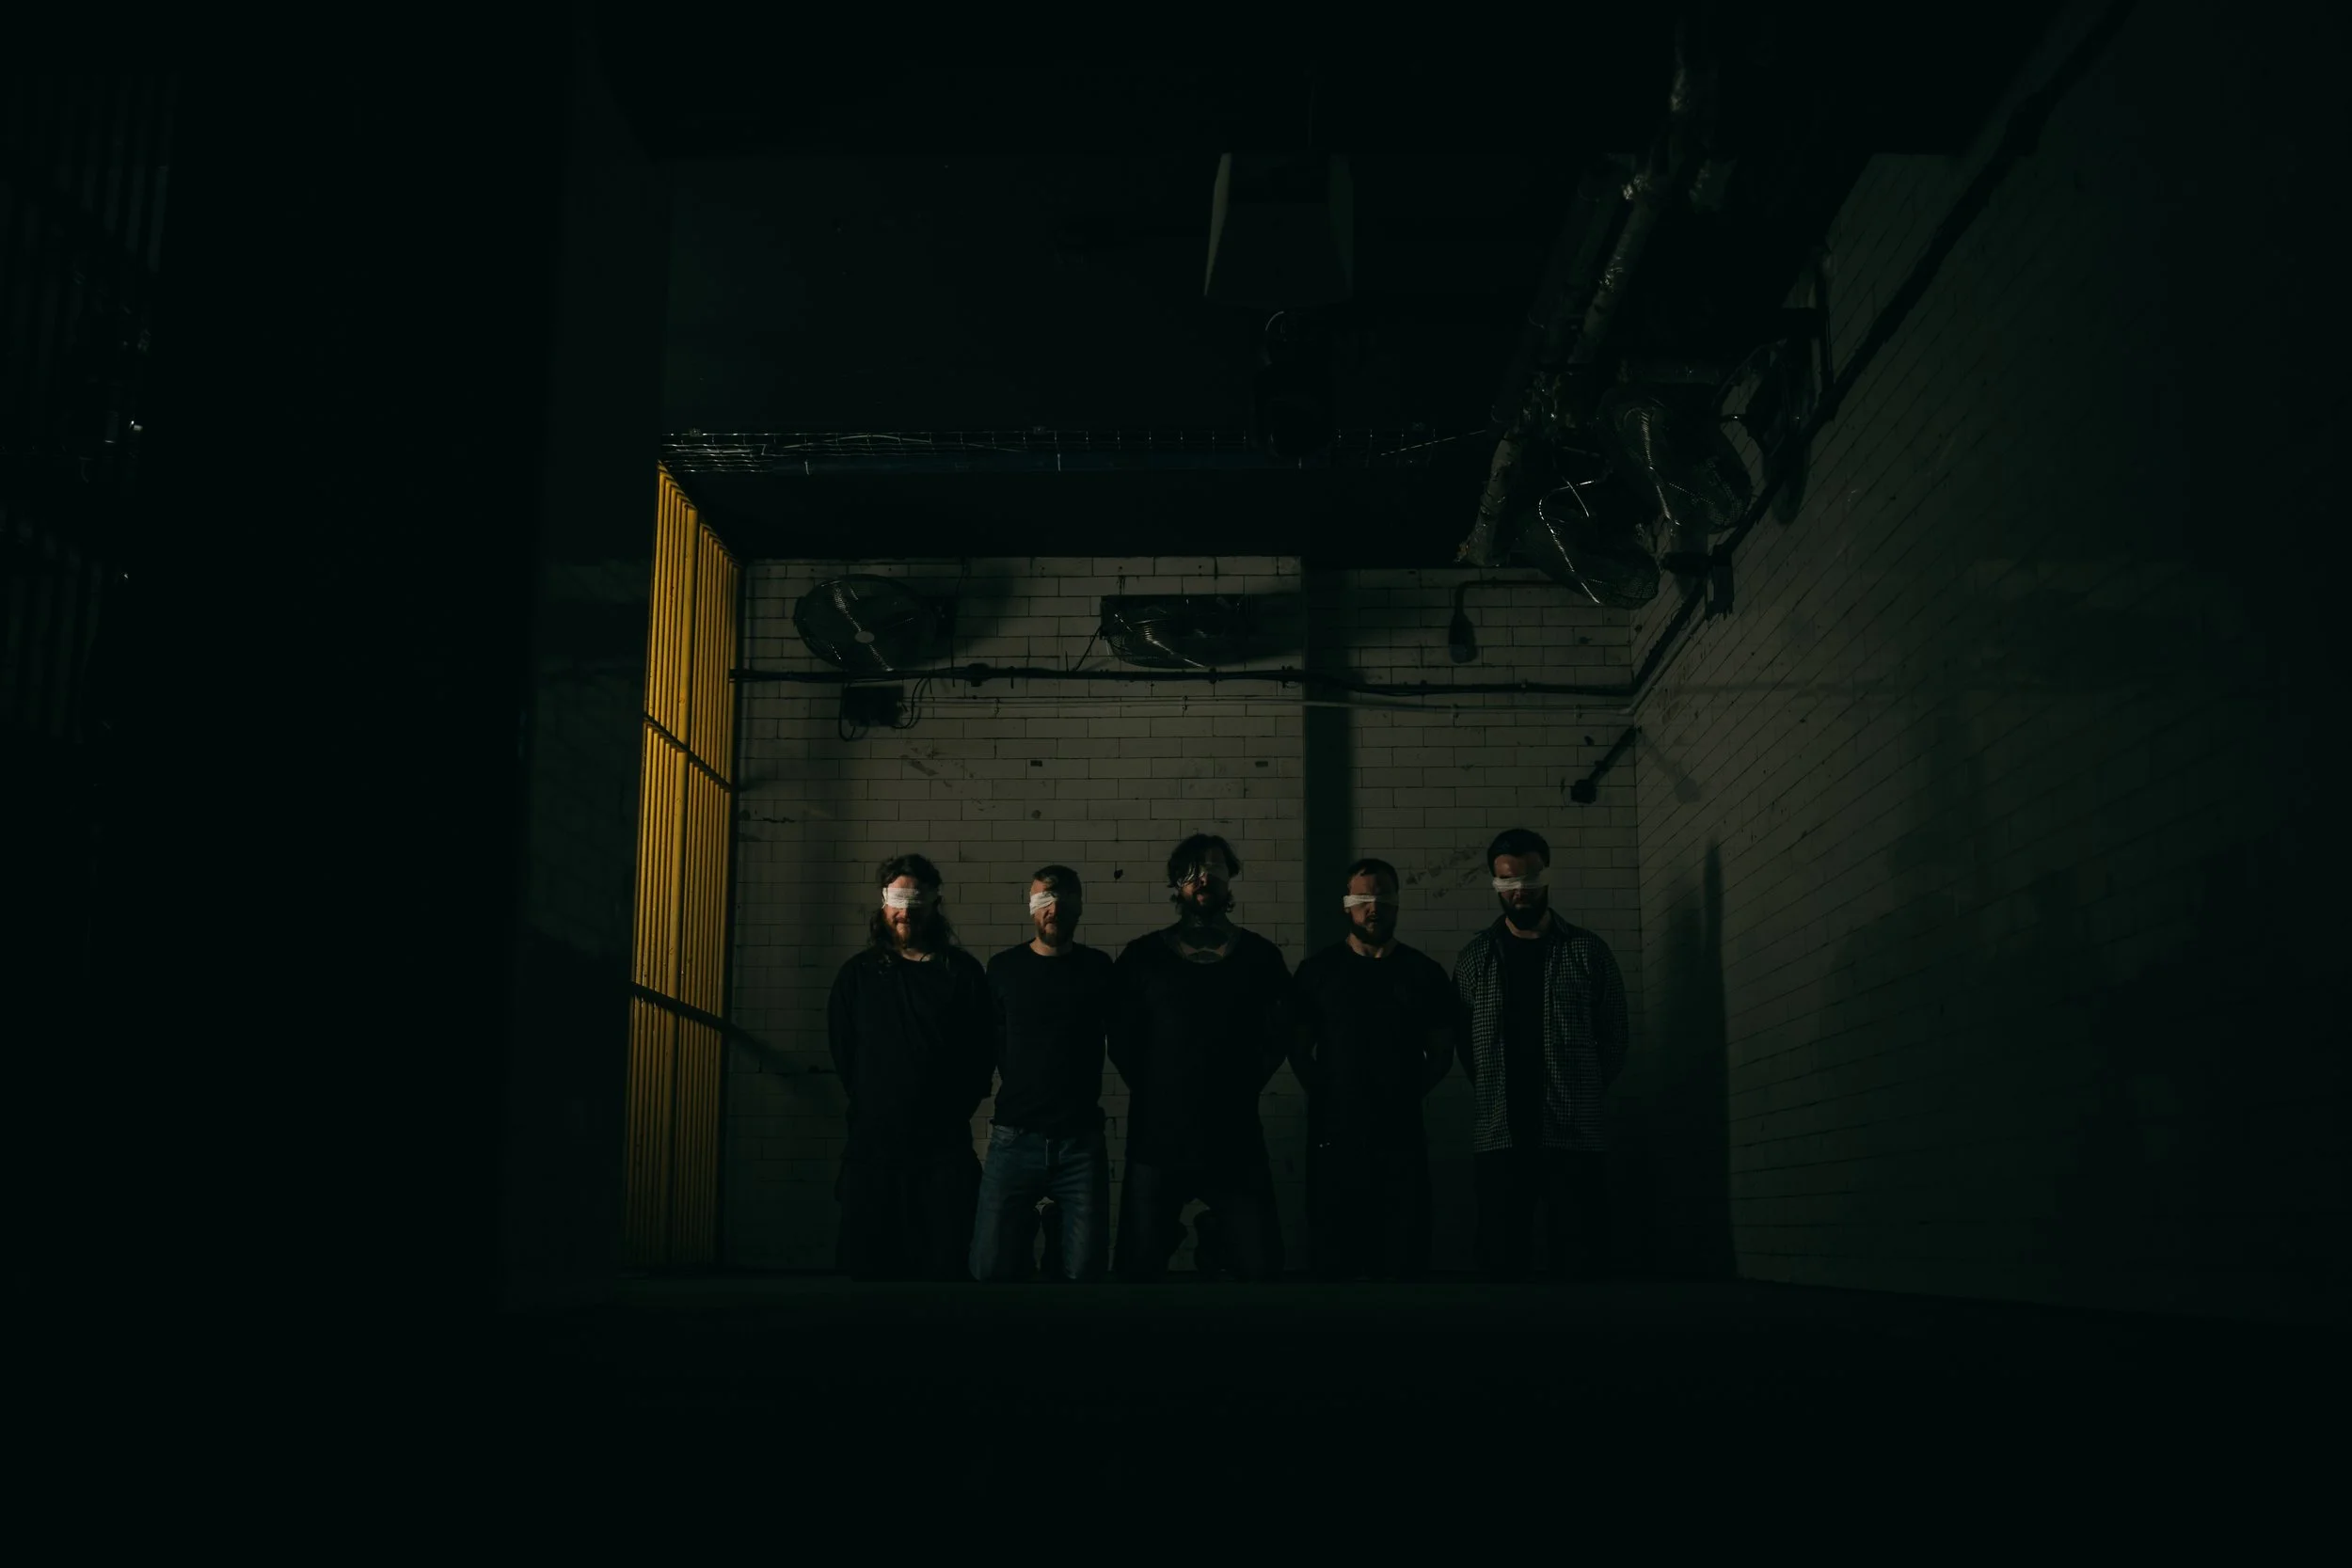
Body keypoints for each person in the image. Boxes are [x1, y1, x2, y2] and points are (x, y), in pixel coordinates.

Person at [1109, 832, 1293, 1282]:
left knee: (1261, 1266)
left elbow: (1280, 1036)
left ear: (1231, 877)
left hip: (1235, 1137)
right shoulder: (1142, 957)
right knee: (1138, 1266)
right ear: (1176, 883)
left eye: (1215, 867)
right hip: (1158, 1139)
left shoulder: (1260, 957)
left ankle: (1215, 1237)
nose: (1204, 877)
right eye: (1192, 871)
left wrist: (1239, 1086)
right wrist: (1162, 1092)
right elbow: (1122, 1041)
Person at [1451, 828, 1630, 1282]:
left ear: (1547, 876)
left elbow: (1613, 1038)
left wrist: (1584, 1088)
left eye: (1529, 878)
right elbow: (1467, 1046)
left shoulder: (1587, 951)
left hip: (1573, 1130)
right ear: (1495, 883)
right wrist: (1494, 1089)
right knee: (1500, 1258)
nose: (1519, 890)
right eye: (1507, 881)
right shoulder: (1476, 958)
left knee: (1581, 1259)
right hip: (1500, 1132)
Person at [827, 853, 994, 1281]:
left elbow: (982, 1053)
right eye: (896, 899)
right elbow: (845, 1054)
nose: (905, 911)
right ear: (883, 904)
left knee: (943, 1268)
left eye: (915, 899)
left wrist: (950, 1109)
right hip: (872, 1152)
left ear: (934, 903)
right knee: (867, 1271)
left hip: (943, 1153)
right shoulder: (857, 976)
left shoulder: (963, 974)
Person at [1288, 858, 1456, 1281]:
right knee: (1335, 1254)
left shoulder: (1423, 974)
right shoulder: (1317, 973)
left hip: (1400, 1140)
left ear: (1397, 903)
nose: (1373, 907)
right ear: (1347, 905)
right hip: (1334, 1139)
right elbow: (1297, 1048)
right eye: (1362, 898)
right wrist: (1328, 1095)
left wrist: (1402, 1098)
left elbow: (1440, 1054)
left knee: (1402, 1255)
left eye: (1382, 896)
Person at [969, 865, 1117, 1282]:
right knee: (987, 1269)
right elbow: (989, 1041)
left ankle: (1054, 1229)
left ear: (1079, 906)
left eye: (1062, 899)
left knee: (1085, 1272)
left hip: (1079, 1141)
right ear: (1031, 907)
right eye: (1042, 900)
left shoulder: (1098, 968)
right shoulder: (1003, 968)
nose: (1052, 909)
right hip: (1015, 1137)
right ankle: (1035, 1226)